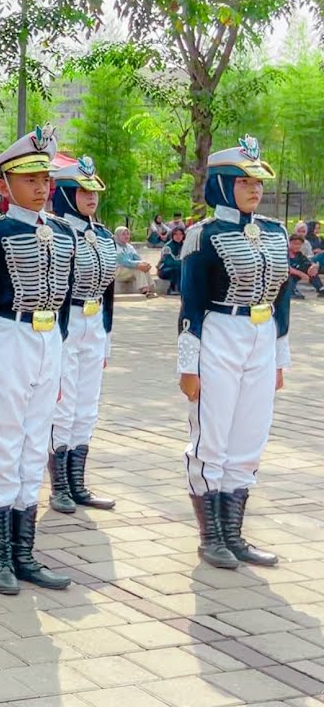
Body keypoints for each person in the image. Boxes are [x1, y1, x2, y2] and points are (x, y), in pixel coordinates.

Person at [0, 125, 75, 596]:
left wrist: (58, 362)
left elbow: (66, 306)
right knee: (7, 449)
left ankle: (25, 552)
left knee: (35, 449)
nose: (41, 185)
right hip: (8, 337)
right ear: (6, 183)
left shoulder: (63, 233)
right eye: (30, 177)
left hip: (47, 340)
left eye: (45, 177)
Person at [178, 135, 289, 570]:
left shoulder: (276, 232)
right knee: (213, 436)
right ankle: (212, 537)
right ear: (223, 184)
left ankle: (235, 534)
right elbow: (190, 306)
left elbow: (281, 301)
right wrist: (189, 365)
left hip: (260, 335)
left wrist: (279, 358)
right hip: (220, 332)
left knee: (249, 437)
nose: (255, 189)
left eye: (259, 181)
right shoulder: (202, 236)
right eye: (244, 181)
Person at [46, 157, 117, 514]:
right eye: (82, 190)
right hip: (66, 321)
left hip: (94, 322)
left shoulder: (103, 235)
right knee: (64, 404)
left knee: (87, 406)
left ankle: (78, 482)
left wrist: (107, 334)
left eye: (93, 191)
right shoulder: (55, 232)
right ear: (67, 194)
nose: (91, 197)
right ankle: (59, 485)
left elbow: (109, 291)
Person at [114, 227, 157, 296]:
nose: (126, 236)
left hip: (129, 270)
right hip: (118, 271)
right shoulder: (115, 247)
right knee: (138, 269)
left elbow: (137, 258)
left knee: (144, 268)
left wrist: (144, 263)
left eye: (127, 234)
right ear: (118, 236)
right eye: (123, 234)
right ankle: (144, 290)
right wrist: (138, 265)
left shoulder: (129, 247)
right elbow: (124, 262)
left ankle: (151, 289)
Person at [157, 225, 187, 294]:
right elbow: (169, 262)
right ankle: (173, 289)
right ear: (172, 235)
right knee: (177, 268)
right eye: (176, 234)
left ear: (183, 236)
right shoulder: (167, 247)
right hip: (164, 270)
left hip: (180, 268)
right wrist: (184, 263)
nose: (178, 236)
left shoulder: (185, 246)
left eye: (180, 234)